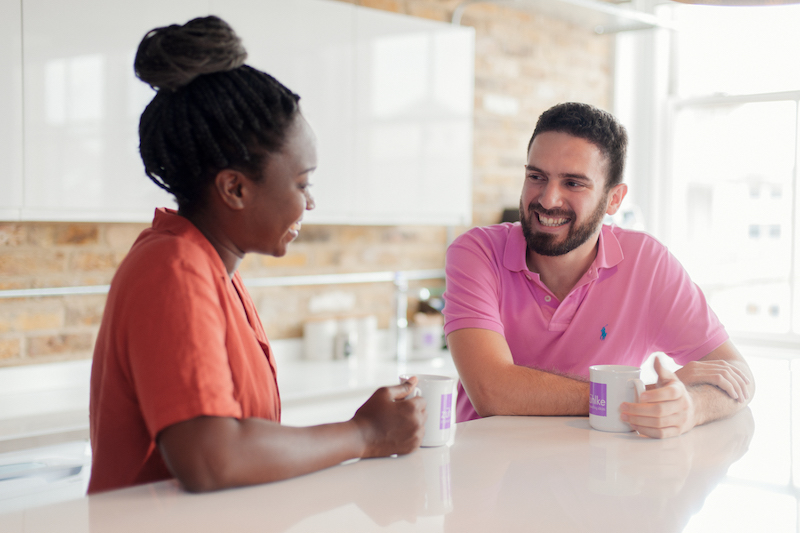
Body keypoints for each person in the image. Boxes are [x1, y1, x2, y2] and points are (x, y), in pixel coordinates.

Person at [88, 16, 425, 494]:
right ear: (235, 188)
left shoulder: (213, 269)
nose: (310, 203)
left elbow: (242, 443)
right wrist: (364, 434)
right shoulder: (174, 269)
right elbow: (210, 458)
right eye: (302, 183)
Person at [443, 102, 754, 439]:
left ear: (614, 200)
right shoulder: (476, 252)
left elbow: (737, 374)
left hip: (604, 478)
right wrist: (638, 395)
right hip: (488, 473)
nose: (548, 199)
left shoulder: (647, 264)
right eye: (536, 177)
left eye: (573, 184)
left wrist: (692, 407)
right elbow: (492, 392)